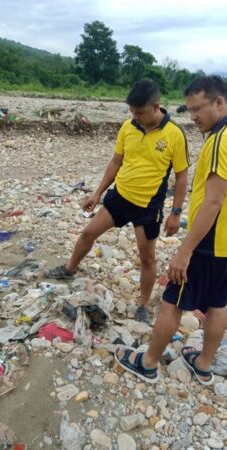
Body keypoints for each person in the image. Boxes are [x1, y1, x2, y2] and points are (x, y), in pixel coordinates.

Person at [45, 79, 189, 324]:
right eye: (132, 111)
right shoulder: (127, 127)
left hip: (148, 206)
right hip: (120, 197)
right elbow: (116, 162)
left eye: (140, 112)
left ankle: (143, 304)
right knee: (88, 233)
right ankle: (69, 269)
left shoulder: (174, 134)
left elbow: (182, 174)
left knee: (147, 258)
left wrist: (176, 211)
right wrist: (97, 193)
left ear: (156, 106)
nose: (135, 117)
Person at [115, 76, 227, 385]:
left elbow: (214, 201)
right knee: (219, 303)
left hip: (208, 240)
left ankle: (148, 362)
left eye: (197, 109)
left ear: (219, 102)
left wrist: (185, 249)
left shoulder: (220, 140)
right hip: (225, 244)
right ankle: (203, 365)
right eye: (189, 110)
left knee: (172, 301)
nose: (193, 117)